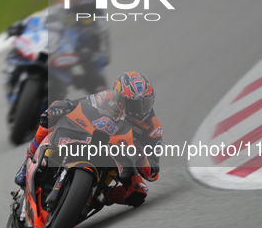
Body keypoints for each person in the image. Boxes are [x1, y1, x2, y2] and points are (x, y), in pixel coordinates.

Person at [15, 71, 162, 207]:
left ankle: (102, 197)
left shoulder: (152, 128)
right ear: (120, 98)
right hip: (93, 139)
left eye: (145, 103)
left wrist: (141, 157)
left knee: (139, 191)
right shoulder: (107, 98)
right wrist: (62, 107)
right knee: (54, 112)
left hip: (120, 159)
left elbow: (153, 173)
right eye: (135, 104)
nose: (140, 110)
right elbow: (77, 104)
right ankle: (28, 158)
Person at [6, 0, 110, 97]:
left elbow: (105, 57)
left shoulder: (100, 29)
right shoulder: (60, 11)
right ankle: (13, 70)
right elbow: (39, 17)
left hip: (70, 62)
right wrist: (22, 25)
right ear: (73, 7)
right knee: (22, 45)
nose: (85, 13)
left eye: (89, 9)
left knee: (99, 84)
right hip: (50, 49)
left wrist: (91, 55)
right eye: (82, 9)